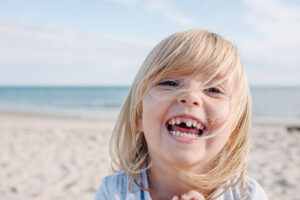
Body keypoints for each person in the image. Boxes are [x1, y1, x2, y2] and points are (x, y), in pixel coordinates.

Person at [94, 29, 268, 200]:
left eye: (213, 89)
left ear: (235, 127)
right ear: (139, 114)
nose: (190, 96)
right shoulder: (115, 191)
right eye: (169, 83)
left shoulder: (248, 194)